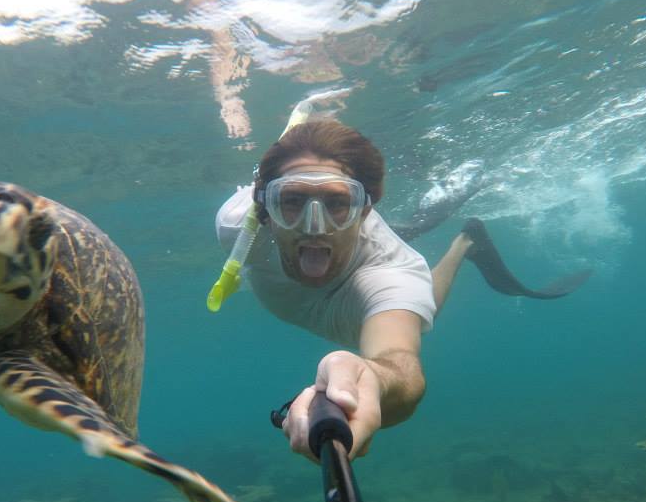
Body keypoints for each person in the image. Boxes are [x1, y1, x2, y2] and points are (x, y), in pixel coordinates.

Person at [212, 111, 588, 462]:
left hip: (357, 289)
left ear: (365, 210)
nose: (315, 225)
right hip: (327, 283)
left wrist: (371, 383)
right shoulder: (236, 227)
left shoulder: (391, 275)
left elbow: (401, 365)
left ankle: (465, 244)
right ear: (265, 207)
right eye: (291, 201)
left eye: (338, 203)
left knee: (423, 310)